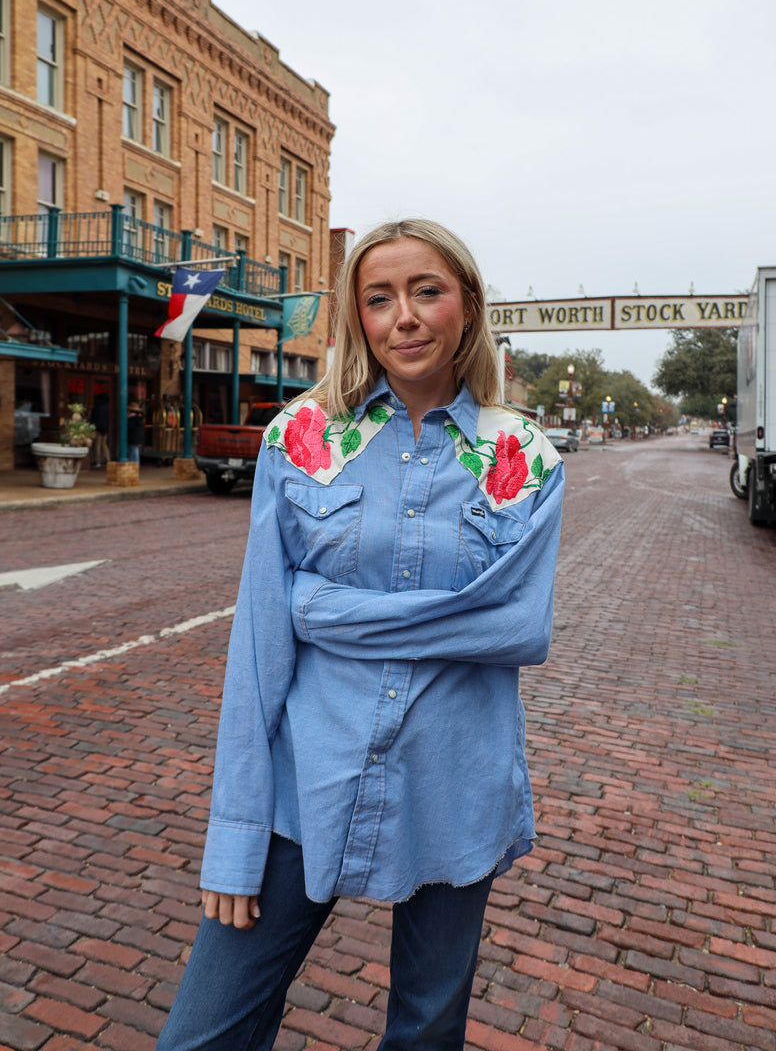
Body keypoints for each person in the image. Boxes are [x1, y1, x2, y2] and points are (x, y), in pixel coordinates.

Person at [157, 218, 564, 1051]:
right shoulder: (301, 441)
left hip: (457, 786)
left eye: (426, 291)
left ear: (467, 306)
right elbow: (261, 642)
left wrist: (320, 609)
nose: (404, 317)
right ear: (358, 318)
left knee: (424, 1033)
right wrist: (232, 835)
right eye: (379, 299)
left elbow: (519, 624)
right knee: (201, 1036)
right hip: (300, 779)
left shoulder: (522, 452)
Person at [90, 392, 110, 468]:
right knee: (104, 444)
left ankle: (97, 461)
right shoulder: (107, 408)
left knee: (97, 445)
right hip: (105, 429)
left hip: (97, 429)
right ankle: (107, 459)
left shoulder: (96, 408)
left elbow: (93, 419)